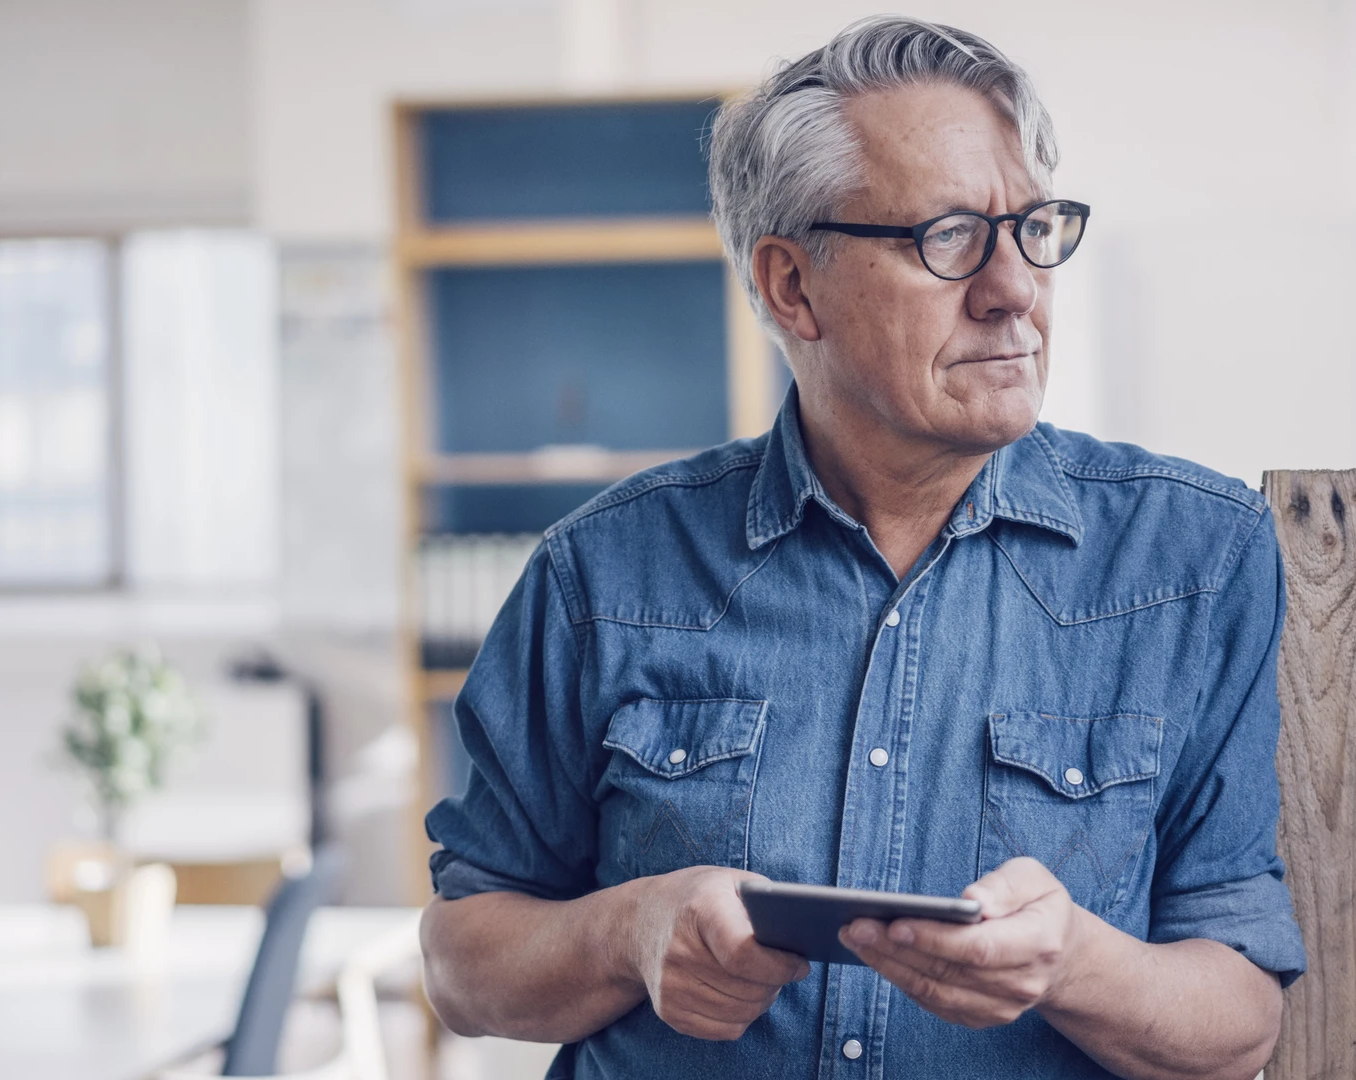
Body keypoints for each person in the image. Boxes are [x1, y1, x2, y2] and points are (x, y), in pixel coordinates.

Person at [419, 15, 1305, 1080]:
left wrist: (1072, 962)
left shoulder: (1197, 561)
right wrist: (632, 931)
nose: (1015, 288)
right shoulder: (599, 576)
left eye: (1033, 228)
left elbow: (1242, 1020)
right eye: (948, 237)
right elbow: (463, 966)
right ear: (794, 286)